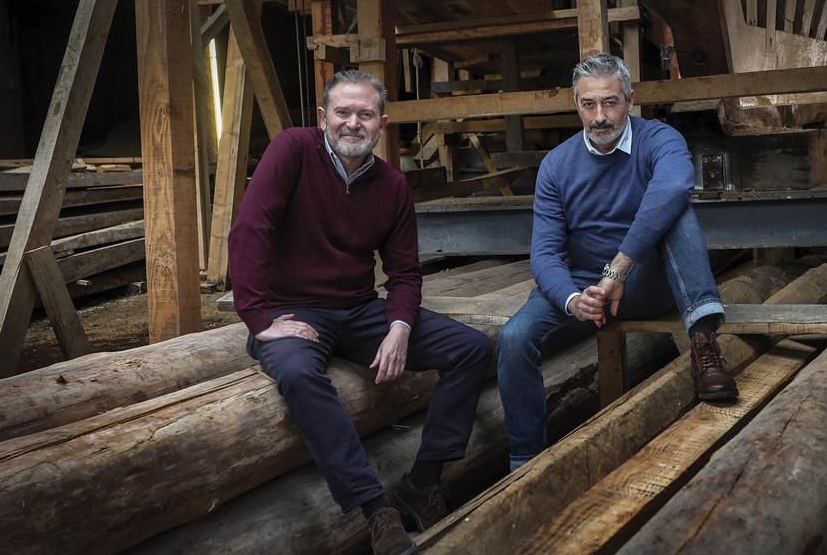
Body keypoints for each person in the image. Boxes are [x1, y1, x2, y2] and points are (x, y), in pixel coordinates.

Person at [228, 70, 491, 555]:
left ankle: (422, 481)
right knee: (299, 374)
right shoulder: (292, 150)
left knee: (471, 349)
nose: (353, 123)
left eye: (365, 115)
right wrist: (259, 319)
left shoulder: (391, 186)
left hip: (358, 309)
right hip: (292, 312)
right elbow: (249, 230)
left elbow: (405, 274)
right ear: (324, 117)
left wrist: (398, 328)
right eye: (343, 113)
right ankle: (377, 511)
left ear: (382, 124)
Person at [497, 53, 738, 471]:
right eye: (588, 104)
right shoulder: (556, 165)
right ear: (577, 104)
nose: (599, 116)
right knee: (514, 337)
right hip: (584, 286)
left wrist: (618, 268)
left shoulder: (660, 139)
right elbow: (545, 253)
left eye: (610, 102)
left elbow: (675, 185)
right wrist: (574, 300)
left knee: (675, 207)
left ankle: (704, 341)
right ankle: (525, 459)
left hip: (643, 281)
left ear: (631, 98)